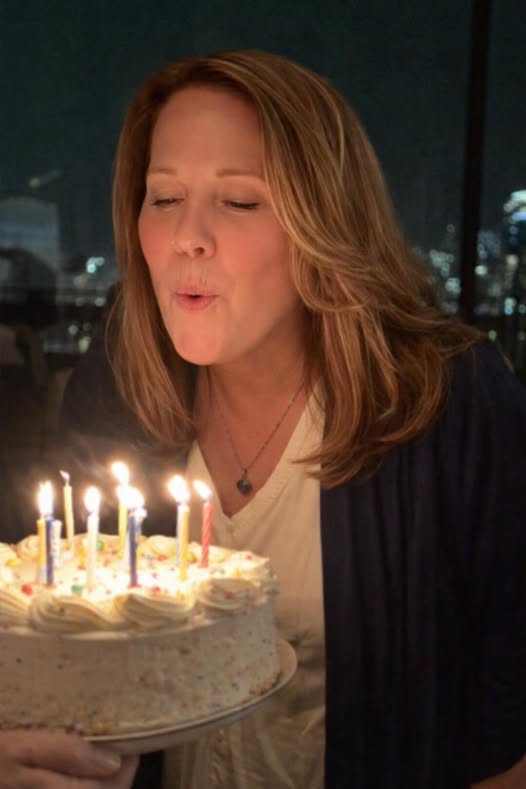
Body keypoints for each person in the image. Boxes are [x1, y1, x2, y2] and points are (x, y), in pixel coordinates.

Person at [2, 49, 525, 788]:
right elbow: (60, 642)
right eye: (164, 197)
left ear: (324, 224)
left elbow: (506, 730)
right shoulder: (120, 377)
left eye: (238, 201)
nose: (188, 236)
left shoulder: (454, 402)